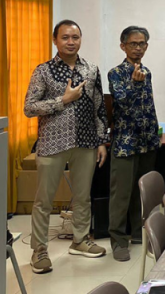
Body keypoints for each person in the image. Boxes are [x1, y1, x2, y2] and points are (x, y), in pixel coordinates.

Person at [24, 20, 108, 274]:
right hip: (52, 143)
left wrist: (101, 140)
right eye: (65, 37)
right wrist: (63, 100)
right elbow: (29, 107)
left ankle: (80, 240)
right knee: (44, 201)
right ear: (55, 40)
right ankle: (39, 251)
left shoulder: (91, 69)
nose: (71, 42)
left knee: (83, 196)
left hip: (85, 142)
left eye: (75, 37)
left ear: (81, 39)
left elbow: (99, 107)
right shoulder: (43, 71)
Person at [107, 26, 160, 262]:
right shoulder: (116, 73)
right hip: (125, 142)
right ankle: (118, 241)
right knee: (121, 194)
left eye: (142, 44)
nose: (138, 48)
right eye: (133, 44)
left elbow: (148, 106)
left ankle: (140, 234)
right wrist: (134, 84)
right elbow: (122, 103)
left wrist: (155, 133)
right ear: (123, 46)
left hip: (146, 140)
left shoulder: (147, 71)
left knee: (143, 190)